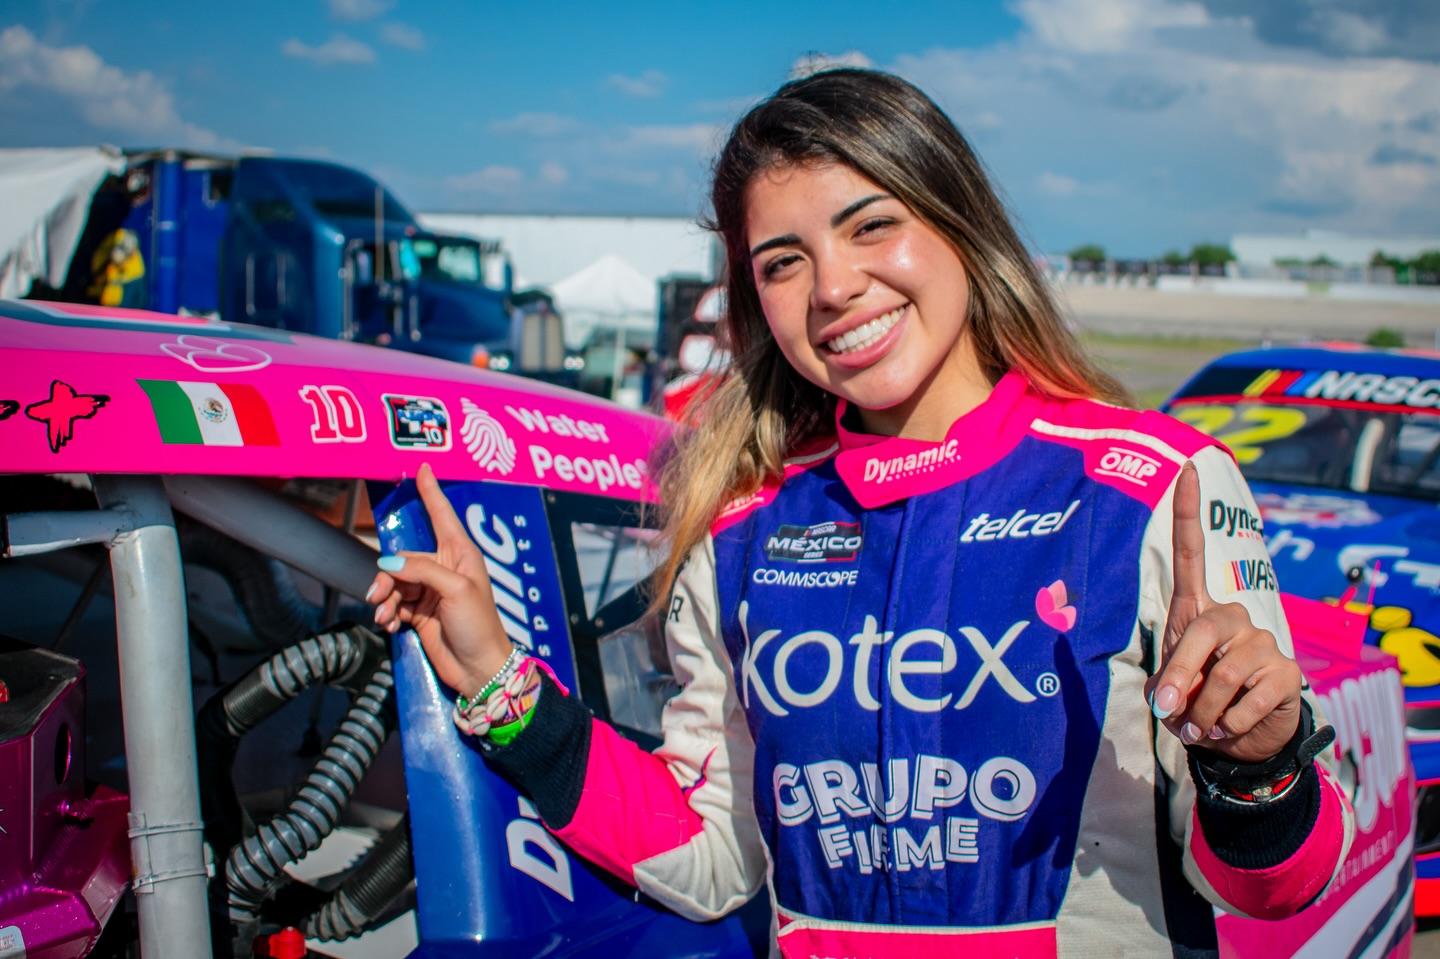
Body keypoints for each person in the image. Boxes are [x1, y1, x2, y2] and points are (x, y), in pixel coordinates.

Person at [367, 69, 1353, 957]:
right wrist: (502, 680)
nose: (833, 287)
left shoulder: (1156, 486)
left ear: (958, 224)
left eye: (871, 224)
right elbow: (709, 854)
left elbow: (1278, 888)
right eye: (782, 261)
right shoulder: (742, 532)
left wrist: (1256, 768)